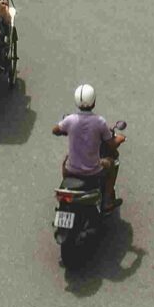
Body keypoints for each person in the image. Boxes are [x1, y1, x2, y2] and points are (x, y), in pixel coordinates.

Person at [53, 83, 123, 211]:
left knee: (65, 160)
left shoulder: (70, 120)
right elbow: (111, 144)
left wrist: (64, 130)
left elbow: (55, 130)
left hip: (71, 170)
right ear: (94, 102)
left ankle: (68, 187)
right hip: (93, 171)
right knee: (112, 163)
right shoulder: (99, 122)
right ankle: (107, 200)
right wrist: (120, 139)